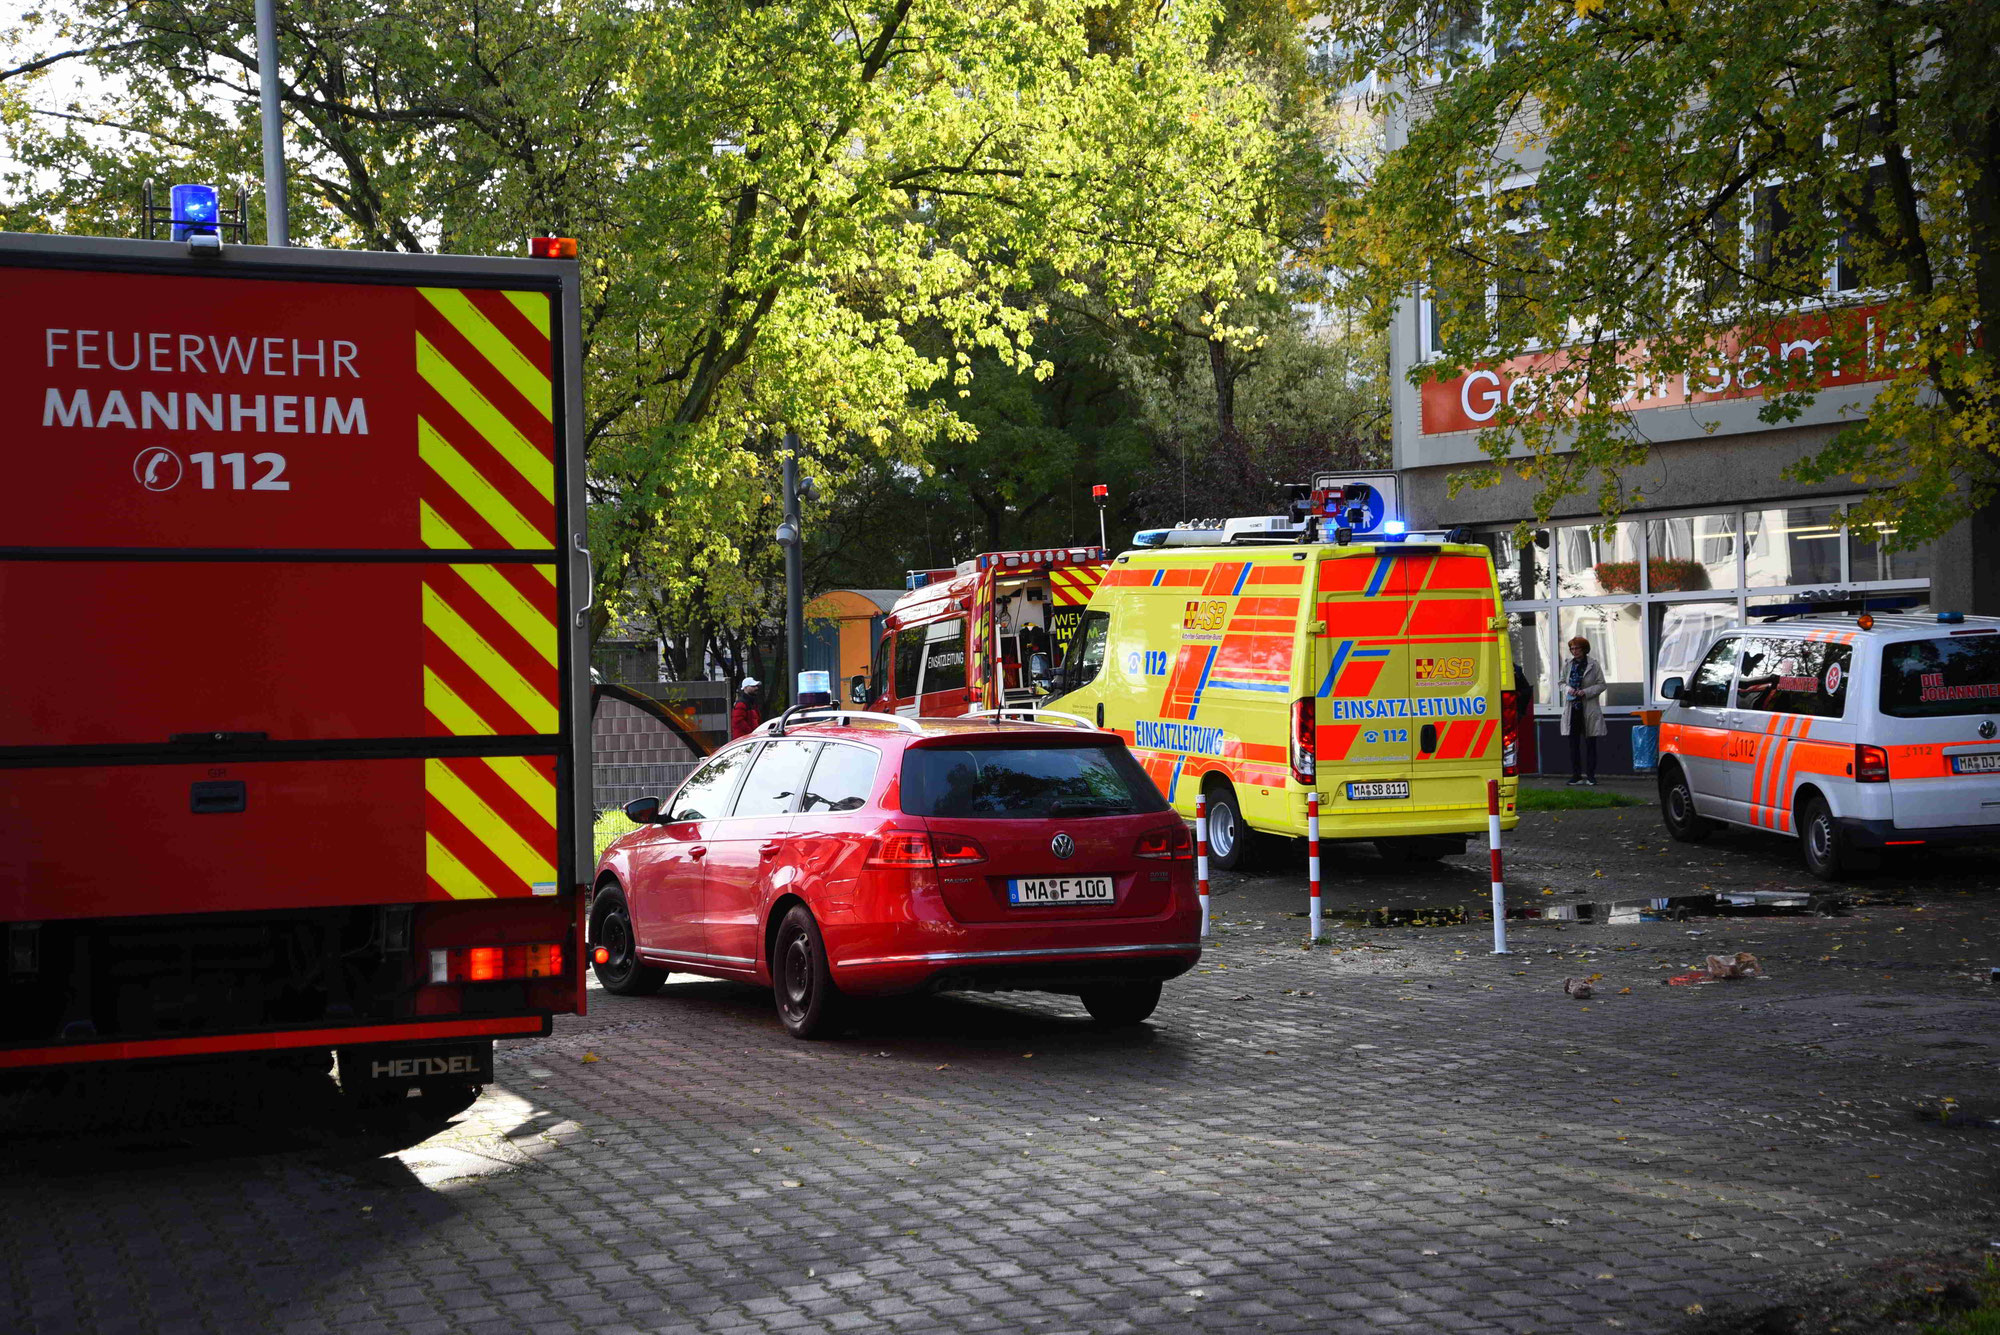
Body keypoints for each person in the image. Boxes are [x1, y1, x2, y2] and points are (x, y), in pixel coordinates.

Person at [1559, 637, 1607, 785]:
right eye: (1572, 649)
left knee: (1590, 743)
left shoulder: (1593, 665)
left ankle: (1591, 776)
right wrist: (1569, 689)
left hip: (1588, 709)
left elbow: (1602, 685)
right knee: (1573, 744)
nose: (1574, 651)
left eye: (1577, 648)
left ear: (1584, 649)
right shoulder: (1568, 664)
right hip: (1572, 709)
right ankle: (1576, 775)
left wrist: (1585, 692)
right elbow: (1561, 682)